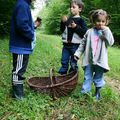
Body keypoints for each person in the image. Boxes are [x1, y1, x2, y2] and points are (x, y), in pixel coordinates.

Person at [74, 9, 114, 100]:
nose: (100, 23)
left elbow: (111, 42)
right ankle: (85, 93)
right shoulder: (89, 32)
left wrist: (106, 30)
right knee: (87, 76)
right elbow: (83, 44)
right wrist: (78, 53)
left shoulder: (106, 32)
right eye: (98, 21)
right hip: (89, 60)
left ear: (106, 22)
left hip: (100, 61)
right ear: (94, 21)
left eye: (103, 21)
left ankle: (97, 93)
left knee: (98, 77)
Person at [9, 0, 36, 100]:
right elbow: (21, 25)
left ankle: (17, 91)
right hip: (21, 46)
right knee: (18, 71)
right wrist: (31, 34)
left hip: (22, 46)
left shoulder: (24, 4)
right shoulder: (22, 4)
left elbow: (24, 23)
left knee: (19, 69)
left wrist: (33, 27)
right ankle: (18, 95)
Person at [58, 0, 87, 75]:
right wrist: (62, 22)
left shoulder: (81, 21)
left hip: (75, 45)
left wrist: (76, 27)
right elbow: (62, 30)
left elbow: (84, 33)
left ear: (80, 9)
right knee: (64, 60)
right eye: (70, 7)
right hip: (66, 45)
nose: (71, 8)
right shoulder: (68, 19)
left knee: (73, 62)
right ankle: (62, 75)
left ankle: (72, 75)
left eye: (73, 7)